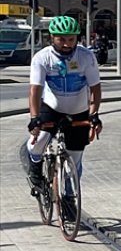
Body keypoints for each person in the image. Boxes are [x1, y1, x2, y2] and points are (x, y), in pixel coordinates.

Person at [23, 16, 103, 203]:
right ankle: (35, 168)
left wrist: (94, 114)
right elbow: (35, 90)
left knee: (75, 160)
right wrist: (34, 117)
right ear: (52, 38)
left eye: (71, 39)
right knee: (39, 141)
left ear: (77, 39)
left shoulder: (86, 56)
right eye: (61, 39)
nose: (67, 44)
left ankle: (68, 199)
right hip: (51, 107)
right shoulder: (42, 58)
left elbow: (95, 88)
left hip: (79, 109)